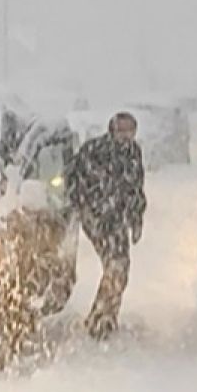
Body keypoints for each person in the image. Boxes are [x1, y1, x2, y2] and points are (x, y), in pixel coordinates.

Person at [64, 112, 147, 338]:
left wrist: (136, 218)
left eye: (130, 130)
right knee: (115, 265)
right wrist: (83, 207)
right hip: (97, 218)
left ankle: (106, 315)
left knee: (121, 267)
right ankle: (100, 319)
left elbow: (136, 188)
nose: (125, 135)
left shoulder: (133, 154)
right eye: (121, 130)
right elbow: (73, 179)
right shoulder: (94, 151)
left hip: (118, 219)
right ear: (112, 129)